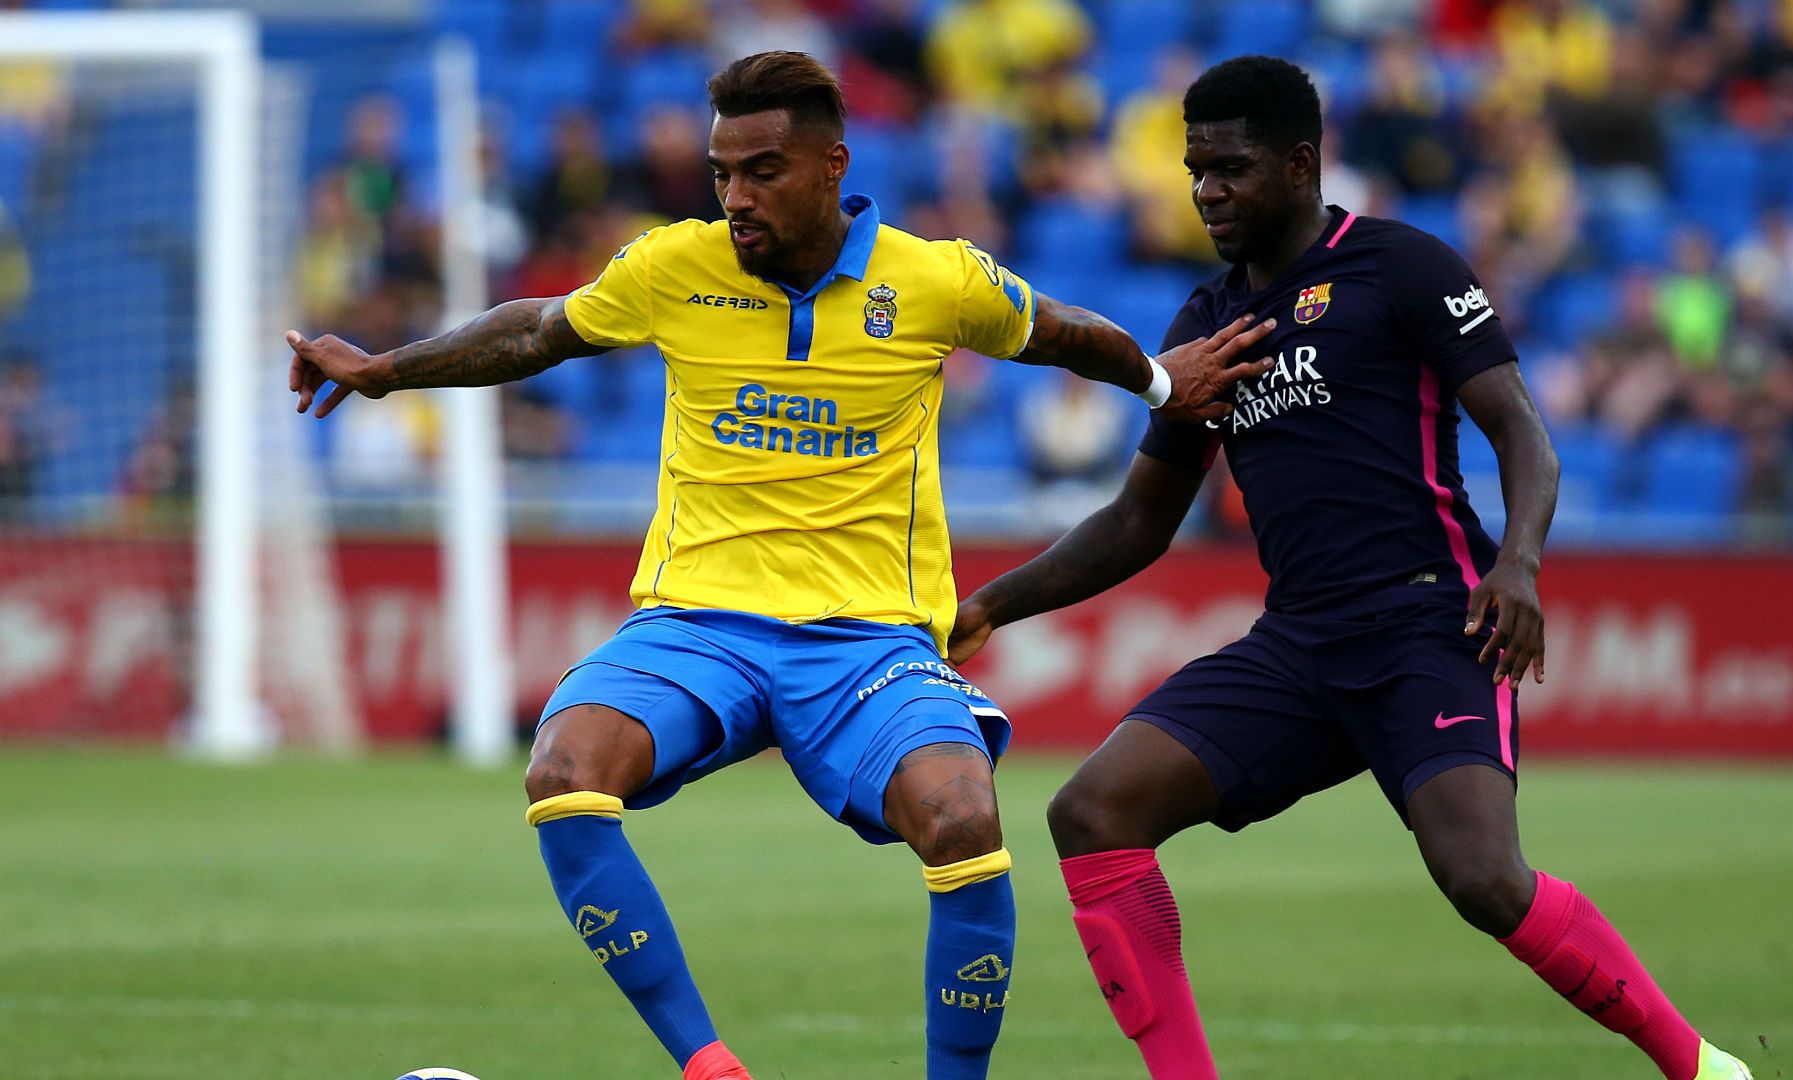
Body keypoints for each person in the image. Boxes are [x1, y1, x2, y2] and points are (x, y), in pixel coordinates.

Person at [285, 51, 1269, 1080]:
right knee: (564, 771)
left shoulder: (932, 280)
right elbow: (537, 330)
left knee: (964, 814)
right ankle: (710, 1066)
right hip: (698, 622)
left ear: (832, 164)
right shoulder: (675, 266)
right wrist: (387, 372)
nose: (735, 197)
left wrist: (1162, 382)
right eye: (722, 173)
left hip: (867, 641)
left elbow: (1064, 333)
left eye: (762, 170)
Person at [949, 56, 1754, 1080]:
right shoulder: (1204, 327)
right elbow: (1139, 522)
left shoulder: (1402, 267)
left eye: (1231, 168)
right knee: (1093, 811)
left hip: (1430, 624)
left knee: (1481, 879)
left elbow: (1524, 435)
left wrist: (1518, 565)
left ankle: (1698, 1066)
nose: (1208, 191)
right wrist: (992, 603)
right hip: (1301, 645)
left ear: (1299, 162)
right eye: (1196, 169)